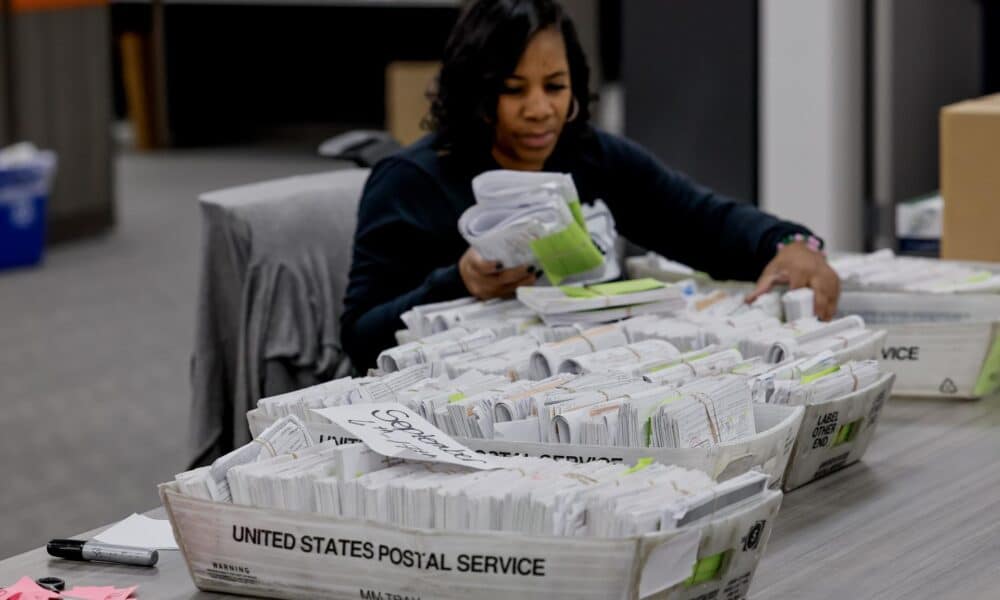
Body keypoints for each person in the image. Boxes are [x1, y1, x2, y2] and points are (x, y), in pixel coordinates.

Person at [341, 0, 840, 371]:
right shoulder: (410, 182)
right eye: (513, 91)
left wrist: (790, 242)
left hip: (571, 383)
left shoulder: (591, 156)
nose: (540, 109)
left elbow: (700, 220)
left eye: (555, 87)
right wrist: (458, 282)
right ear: (474, 93)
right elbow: (360, 337)